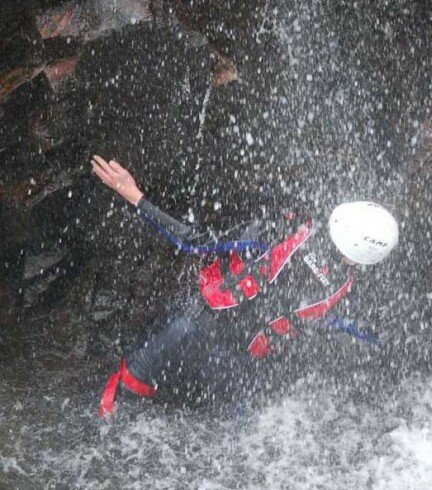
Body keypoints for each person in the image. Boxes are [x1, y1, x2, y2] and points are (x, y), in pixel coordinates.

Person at [91, 155, 400, 416]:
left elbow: (195, 243)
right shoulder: (345, 289)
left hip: (189, 330)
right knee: (224, 420)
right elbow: (356, 331)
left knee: (125, 398)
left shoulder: (287, 229)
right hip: (238, 373)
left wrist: (135, 197)